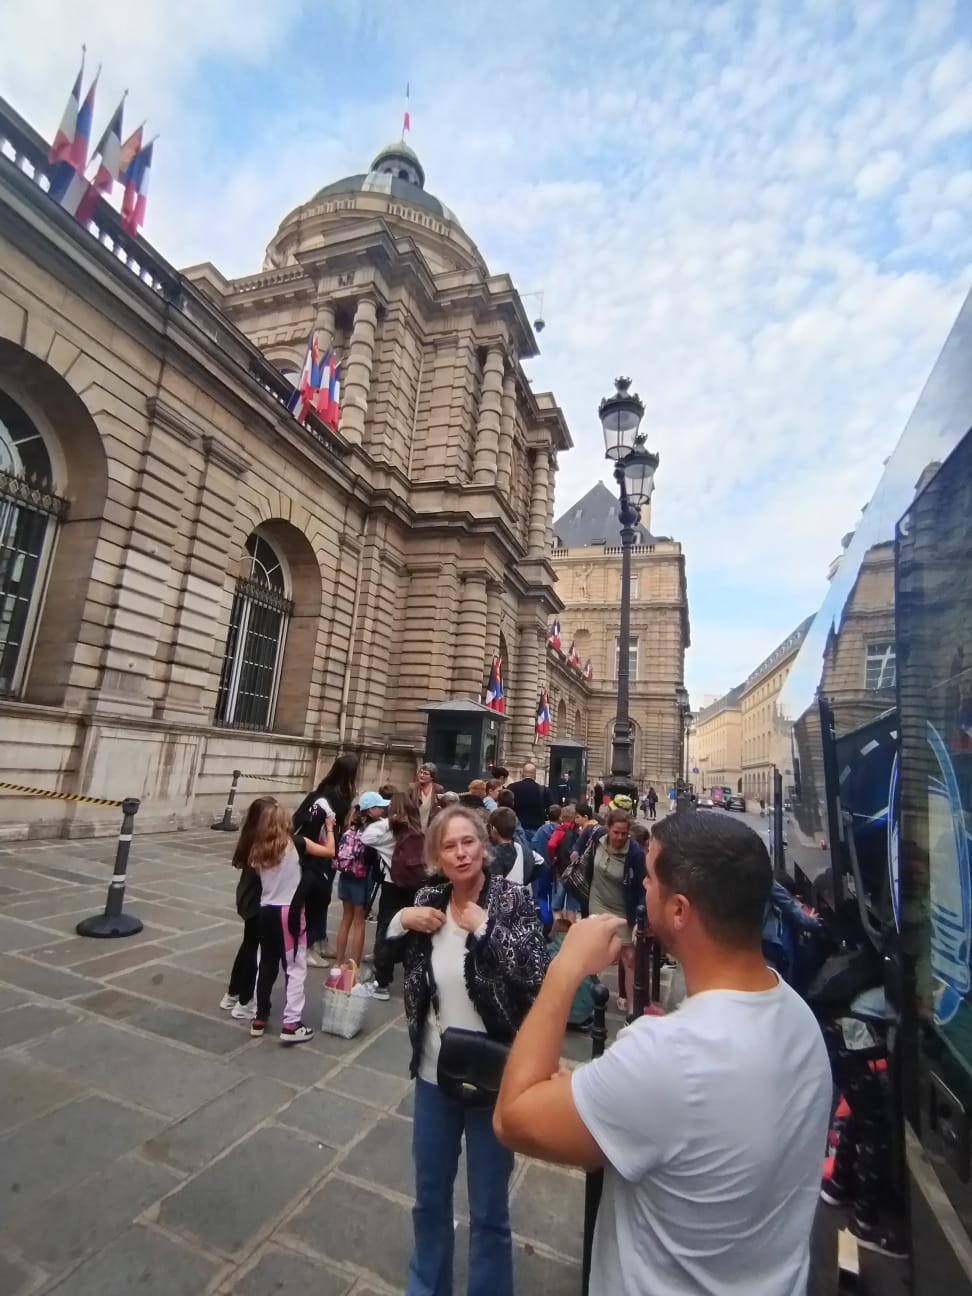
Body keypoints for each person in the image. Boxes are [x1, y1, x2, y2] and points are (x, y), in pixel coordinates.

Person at [494, 812, 833, 1296]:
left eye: (649, 877)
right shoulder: (799, 1017)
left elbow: (513, 1115)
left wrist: (565, 967)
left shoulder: (669, 1057)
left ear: (678, 910)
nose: (642, 884)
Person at [384, 804, 548, 1296]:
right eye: (450, 846)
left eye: (468, 842)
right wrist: (397, 920)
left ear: (485, 845)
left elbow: (538, 975)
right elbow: (386, 962)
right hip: (434, 1074)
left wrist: (485, 930)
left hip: (496, 1080)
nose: (460, 853)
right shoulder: (429, 898)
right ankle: (426, 1286)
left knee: (488, 1211)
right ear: (437, 855)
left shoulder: (511, 900)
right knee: (429, 1200)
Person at [244, 796, 337, 1043]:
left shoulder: (257, 848)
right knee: (295, 966)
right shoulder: (296, 843)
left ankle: (259, 1017)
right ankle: (291, 1022)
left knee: (265, 963)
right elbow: (330, 852)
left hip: (266, 910)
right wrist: (329, 827)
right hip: (290, 911)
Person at [572, 808, 645, 1012]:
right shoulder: (597, 836)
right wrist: (576, 850)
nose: (620, 837)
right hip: (597, 901)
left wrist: (639, 920)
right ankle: (583, 999)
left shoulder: (635, 853)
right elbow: (584, 834)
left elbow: (642, 888)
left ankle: (632, 1008)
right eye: (616, 832)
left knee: (629, 958)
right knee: (593, 950)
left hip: (623, 908)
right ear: (608, 829)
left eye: (624, 833)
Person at [293, 753, 358, 967]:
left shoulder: (322, 791)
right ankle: (308, 944)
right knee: (317, 896)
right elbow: (341, 823)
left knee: (323, 895)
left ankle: (319, 938)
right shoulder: (337, 796)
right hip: (321, 850)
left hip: (318, 849)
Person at [363, 791, 426, 1002]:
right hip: (414, 886)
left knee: (388, 931)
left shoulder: (387, 832)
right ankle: (413, 979)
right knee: (411, 932)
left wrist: (390, 822)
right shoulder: (418, 830)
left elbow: (366, 836)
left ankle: (382, 983)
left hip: (393, 886)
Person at [219, 807, 264, 1021]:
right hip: (258, 901)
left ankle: (232, 993)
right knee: (253, 952)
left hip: (248, 898)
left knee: (247, 946)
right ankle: (245, 1001)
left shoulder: (250, 836)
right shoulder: (261, 844)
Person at [332, 803, 372, 972]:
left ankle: (338, 962)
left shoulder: (348, 830)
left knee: (345, 919)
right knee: (359, 922)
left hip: (345, 875)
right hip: (360, 878)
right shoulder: (369, 834)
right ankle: (353, 966)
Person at [506, 761, 552, 835]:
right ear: (535, 775)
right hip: (537, 828)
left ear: (522, 774)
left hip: (516, 828)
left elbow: (505, 807)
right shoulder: (544, 790)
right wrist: (544, 817)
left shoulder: (512, 787)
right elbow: (551, 809)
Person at [409, 763, 444, 830]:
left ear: (432, 776)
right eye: (421, 772)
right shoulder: (412, 788)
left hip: (430, 827)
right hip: (414, 826)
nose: (421, 775)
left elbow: (441, 809)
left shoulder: (438, 789)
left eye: (425, 773)